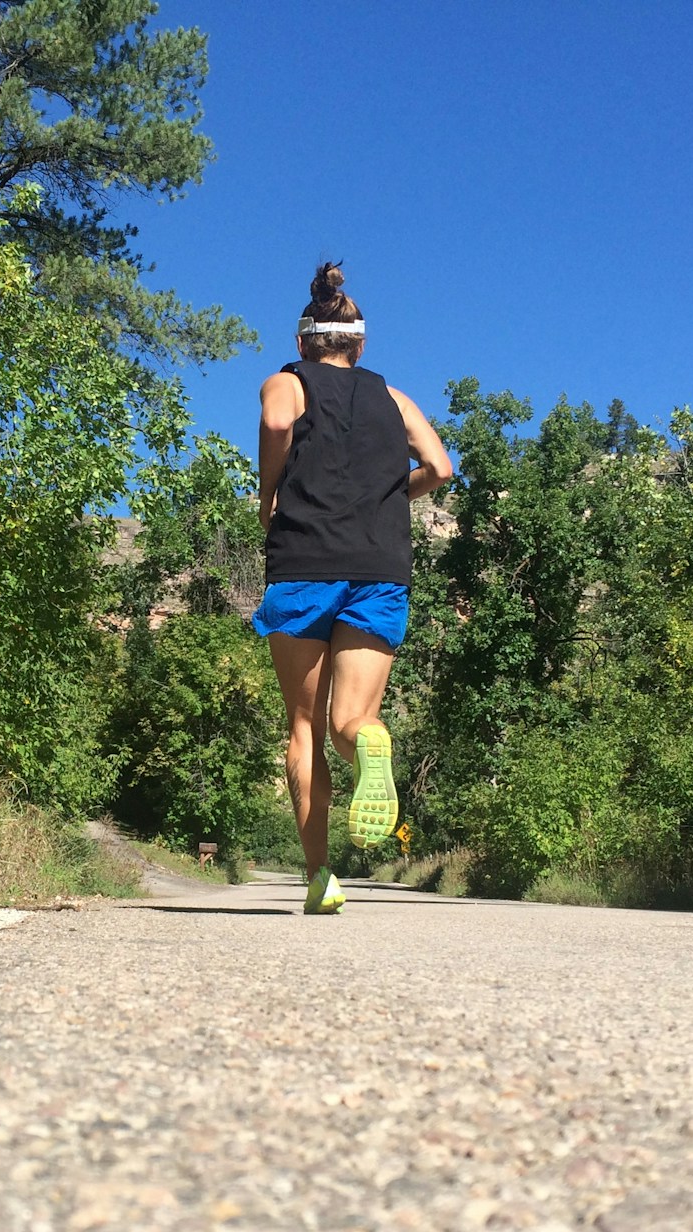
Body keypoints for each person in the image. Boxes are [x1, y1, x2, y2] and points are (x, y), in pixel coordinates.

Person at [253, 262, 455, 915]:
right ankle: (370, 741)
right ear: (359, 344)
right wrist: (389, 493)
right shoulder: (393, 399)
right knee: (352, 721)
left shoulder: (288, 381)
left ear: (303, 342)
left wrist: (270, 498)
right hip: (379, 567)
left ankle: (321, 878)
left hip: (306, 562)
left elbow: (279, 424)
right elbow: (441, 468)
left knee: (305, 728)